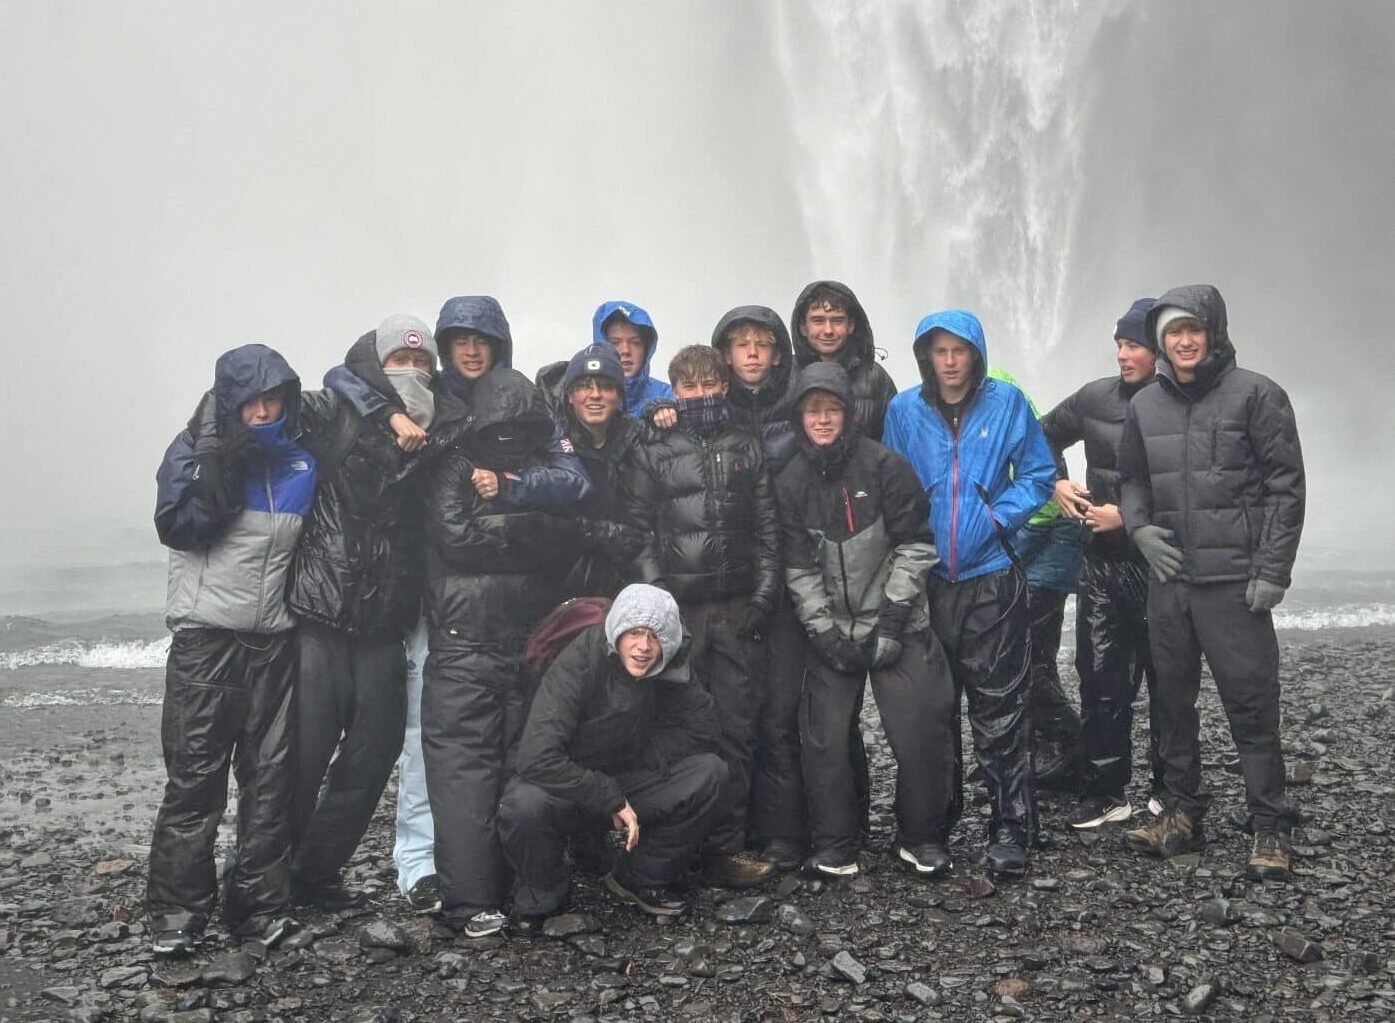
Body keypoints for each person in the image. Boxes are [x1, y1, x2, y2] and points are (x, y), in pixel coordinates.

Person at [1118, 285, 1305, 881]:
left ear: (1214, 331)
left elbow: (1286, 487)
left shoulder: (1258, 394)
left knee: (1251, 706)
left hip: (1235, 585)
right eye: (1174, 332)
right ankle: (1180, 813)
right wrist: (1139, 530)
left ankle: (1269, 825)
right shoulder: (1145, 406)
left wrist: (1273, 570)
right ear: (1161, 342)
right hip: (1170, 582)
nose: (1185, 340)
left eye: (1194, 329)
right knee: (1171, 703)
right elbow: (1131, 480)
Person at [148, 343, 316, 954]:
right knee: (196, 782)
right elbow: (178, 526)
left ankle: (257, 907)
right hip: (206, 641)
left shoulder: (301, 460)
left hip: (273, 640)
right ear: (230, 402)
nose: (265, 411)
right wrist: (222, 466)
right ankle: (177, 915)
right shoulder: (195, 449)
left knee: (270, 780)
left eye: (275, 400)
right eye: (252, 402)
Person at [882, 310, 1055, 877]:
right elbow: (891, 481)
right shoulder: (903, 410)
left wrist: (998, 518)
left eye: (960, 350)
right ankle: (938, 821)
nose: (951, 361)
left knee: (1000, 706)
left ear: (976, 353)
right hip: (929, 578)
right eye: (940, 351)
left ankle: (1011, 824)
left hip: (990, 576)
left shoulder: (1006, 402)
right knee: (935, 710)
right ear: (925, 356)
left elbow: (1037, 473)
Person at [421, 362, 591, 937]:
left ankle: (485, 900)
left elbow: (560, 539)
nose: (507, 439)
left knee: (491, 766)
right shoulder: (463, 466)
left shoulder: (496, 467)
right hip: (481, 638)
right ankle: (481, 900)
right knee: (482, 766)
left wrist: (510, 524)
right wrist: (528, 531)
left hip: (492, 642)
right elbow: (455, 539)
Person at [776, 363, 958, 878]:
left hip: (898, 624)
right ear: (799, 416)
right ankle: (837, 842)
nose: (823, 419)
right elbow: (798, 569)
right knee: (824, 736)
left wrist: (893, 621)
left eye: (832, 408)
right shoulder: (790, 481)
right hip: (833, 629)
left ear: (849, 414)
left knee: (921, 728)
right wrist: (825, 633)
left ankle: (922, 837)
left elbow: (917, 547)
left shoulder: (886, 467)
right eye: (813, 410)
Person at [284, 315, 437, 910]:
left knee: (372, 758)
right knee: (302, 757)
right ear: (375, 365)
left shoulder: (437, 428)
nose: (414, 371)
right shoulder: (335, 411)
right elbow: (310, 390)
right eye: (401, 359)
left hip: (384, 626)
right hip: (320, 617)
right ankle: (265, 877)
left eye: (424, 363)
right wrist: (384, 410)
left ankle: (318, 875)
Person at [624, 344, 781, 888]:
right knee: (677, 731)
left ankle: (727, 849)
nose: (700, 395)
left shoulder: (746, 445)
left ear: (724, 385)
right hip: (681, 612)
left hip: (738, 609)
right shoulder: (654, 447)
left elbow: (766, 529)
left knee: (737, 730)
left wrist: (762, 598)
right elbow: (641, 532)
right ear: (672, 391)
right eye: (687, 387)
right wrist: (661, 604)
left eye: (708, 384)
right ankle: (678, 849)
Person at [499, 584, 728, 932]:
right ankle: (542, 896)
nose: (644, 647)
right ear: (617, 632)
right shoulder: (580, 661)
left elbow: (703, 730)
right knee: (523, 803)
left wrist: (643, 755)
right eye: (635, 633)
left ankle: (639, 876)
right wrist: (605, 794)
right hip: (570, 785)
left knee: (709, 772)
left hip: (627, 780)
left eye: (655, 636)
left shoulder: (672, 667)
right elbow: (536, 756)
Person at [1040, 297, 1166, 829]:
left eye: (1133, 344)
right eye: (1118, 343)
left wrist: (1131, 518)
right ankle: (1107, 792)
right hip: (1101, 562)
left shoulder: (1180, 405)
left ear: (1158, 350)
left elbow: (1198, 485)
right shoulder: (1095, 398)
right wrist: (1057, 480)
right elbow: (1040, 433)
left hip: (1161, 563)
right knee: (1099, 677)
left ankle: (1169, 791)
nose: (1122, 354)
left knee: (1168, 682)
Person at [706, 306, 806, 870]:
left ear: (776, 353)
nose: (751, 353)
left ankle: (786, 833)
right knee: (728, 716)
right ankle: (730, 833)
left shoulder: (799, 413)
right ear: (724, 353)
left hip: (789, 581)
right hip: (726, 587)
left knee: (781, 711)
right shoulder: (702, 415)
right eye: (740, 343)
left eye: (761, 344)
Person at [989, 367, 1085, 793]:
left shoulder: (1002, 398)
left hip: (1048, 538)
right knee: (1019, 652)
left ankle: (1072, 744)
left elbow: (1044, 503)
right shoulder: (974, 395)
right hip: (1034, 537)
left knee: (1032, 657)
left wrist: (1002, 557)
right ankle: (1035, 750)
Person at [555, 344, 648, 598]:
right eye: (584, 386)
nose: (594, 395)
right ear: (570, 396)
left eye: (605, 386)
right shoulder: (551, 447)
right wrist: (603, 534)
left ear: (619, 396)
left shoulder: (642, 441)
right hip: (565, 590)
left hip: (632, 585)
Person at [791, 280, 898, 441]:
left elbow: (892, 445)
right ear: (803, 327)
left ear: (851, 325)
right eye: (818, 321)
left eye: (837, 321)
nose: (828, 330)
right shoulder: (785, 376)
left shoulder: (876, 379)